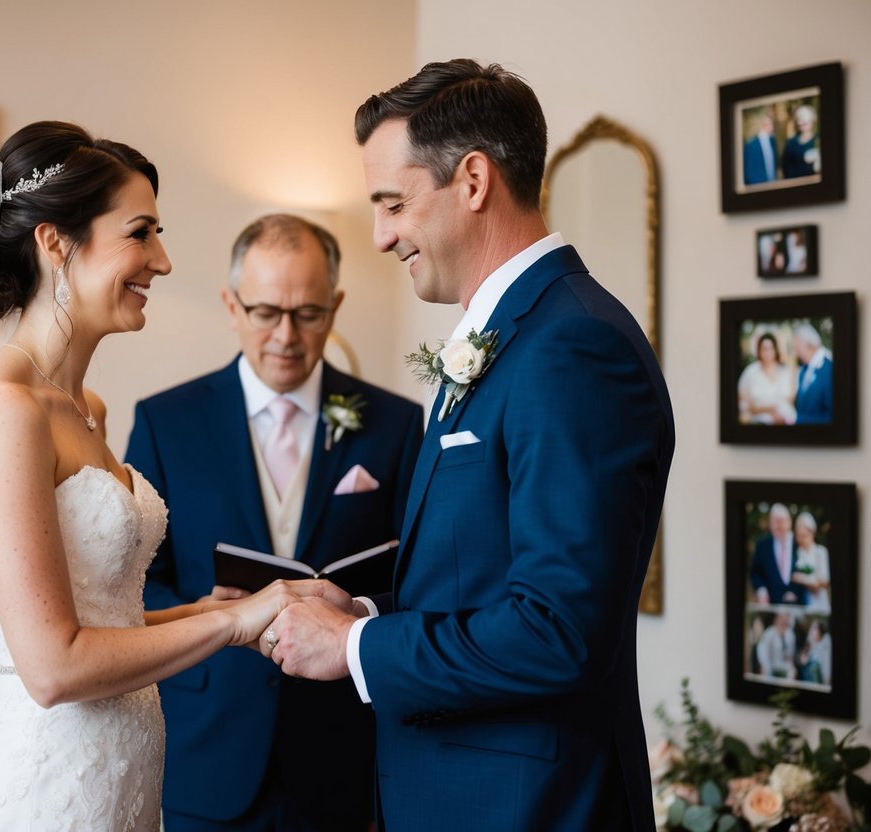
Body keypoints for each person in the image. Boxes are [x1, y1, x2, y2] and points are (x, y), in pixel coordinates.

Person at [0, 122, 344, 831]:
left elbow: (100, 621)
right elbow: (54, 666)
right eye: (140, 233)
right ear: (56, 243)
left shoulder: (86, 409)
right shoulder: (2, 410)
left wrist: (234, 608)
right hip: (47, 796)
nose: (163, 261)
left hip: (124, 786)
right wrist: (238, 624)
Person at [262, 60, 674, 831]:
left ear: (474, 180)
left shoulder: (572, 345)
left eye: (392, 203)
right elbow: (481, 581)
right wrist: (361, 607)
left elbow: (558, 631)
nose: (380, 235)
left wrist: (356, 647)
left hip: (525, 808)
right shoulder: (515, 333)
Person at [126, 214, 423, 831]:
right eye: (266, 312)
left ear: (335, 305)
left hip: (345, 750)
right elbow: (133, 584)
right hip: (209, 748)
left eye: (308, 313)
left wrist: (357, 609)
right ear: (232, 306)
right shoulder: (166, 422)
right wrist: (208, 615)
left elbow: (421, 579)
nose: (286, 335)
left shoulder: (394, 424)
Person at [749, 503, 809, 605]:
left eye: (781, 521)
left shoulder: (800, 542)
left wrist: (796, 592)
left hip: (798, 607)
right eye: (775, 521)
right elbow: (755, 573)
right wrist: (761, 590)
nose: (779, 525)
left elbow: (808, 571)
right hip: (771, 607)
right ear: (770, 524)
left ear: (789, 522)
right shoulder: (762, 546)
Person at [737, 332, 796, 424]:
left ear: (776, 349)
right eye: (764, 349)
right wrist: (769, 410)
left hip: (787, 422)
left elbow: (792, 400)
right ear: (759, 351)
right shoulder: (750, 372)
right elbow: (743, 404)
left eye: (771, 348)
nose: (768, 353)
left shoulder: (786, 371)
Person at [791, 322, 832, 425]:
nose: (796, 353)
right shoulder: (803, 371)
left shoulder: (829, 369)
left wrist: (797, 419)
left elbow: (832, 416)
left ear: (807, 344)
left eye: (797, 348)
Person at [791, 511, 831, 612]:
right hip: (800, 604)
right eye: (798, 535)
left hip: (819, 604)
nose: (800, 539)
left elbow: (825, 581)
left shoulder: (821, 552)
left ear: (812, 532)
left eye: (803, 535)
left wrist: (803, 580)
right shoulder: (795, 553)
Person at [781, 104, 819, 179]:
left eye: (806, 122)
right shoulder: (791, 144)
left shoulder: (818, 140)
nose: (803, 125)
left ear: (812, 121)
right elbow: (787, 169)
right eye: (800, 120)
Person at [755, 611, 797, 680]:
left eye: (786, 618)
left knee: (793, 672)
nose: (784, 621)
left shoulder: (790, 634)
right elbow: (763, 653)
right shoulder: (769, 633)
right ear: (776, 620)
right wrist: (766, 668)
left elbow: (791, 654)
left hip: (785, 666)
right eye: (781, 618)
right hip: (771, 667)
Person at [742, 108, 778, 185]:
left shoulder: (772, 141)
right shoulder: (751, 146)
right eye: (770, 124)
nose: (772, 127)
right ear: (763, 125)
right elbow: (748, 171)